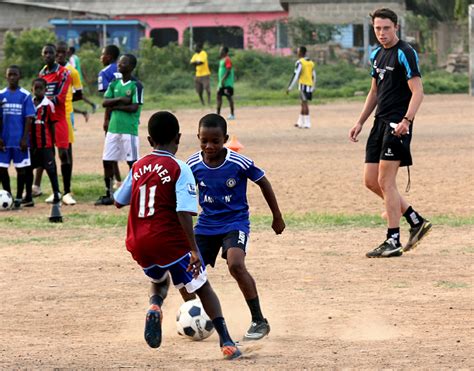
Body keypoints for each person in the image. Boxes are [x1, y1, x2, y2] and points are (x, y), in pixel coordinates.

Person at [113, 111, 242, 360]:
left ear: (150, 140)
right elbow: (184, 211)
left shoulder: (138, 165)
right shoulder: (179, 167)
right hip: (169, 240)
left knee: (160, 279)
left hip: (138, 241)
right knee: (203, 286)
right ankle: (226, 341)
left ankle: (154, 305)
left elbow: (120, 200)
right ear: (179, 138)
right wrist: (193, 250)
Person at [186, 113, 285, 340]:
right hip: (206, 225)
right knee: (187, 270)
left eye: (215, 141)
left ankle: (259, 320)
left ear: (225, 139)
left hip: (235, 222)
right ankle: (195, 316)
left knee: (236, 265)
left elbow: (263, 182)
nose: (209, 146)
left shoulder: (238, 162)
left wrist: (277, 216)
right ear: (198, 138)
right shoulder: (191, 164)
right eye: (204, 141)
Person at [348, 8, 432, 258]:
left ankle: (392, 240)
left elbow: (418, 91)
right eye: (377, 28)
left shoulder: (405, 53)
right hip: (378, 123)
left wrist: (407, 119)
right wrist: (360, 121)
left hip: (397, 125)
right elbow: (374, 92)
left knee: (386, 181)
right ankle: (415, 220)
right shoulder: (376, 55)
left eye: (386, 28)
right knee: (371, 181)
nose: (382, 33)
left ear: (396, 27)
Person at [96, 53, 143, 206]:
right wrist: (121, 101)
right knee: (107, 161)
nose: (119, 65)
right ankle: (109, 193)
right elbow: (105, 102)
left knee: (132, 163)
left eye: (123, 63)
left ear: (131, 67)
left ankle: (134, 194)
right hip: (113, 128)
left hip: (129, 129)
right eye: (119, 63)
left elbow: (134, 107)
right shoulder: (114, 83)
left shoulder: (136, 85)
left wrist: (114, 106)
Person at [38, 44, 73, 205]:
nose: (48, 55)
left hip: (59, 118)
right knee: (49, 155)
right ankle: (56, 191)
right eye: (45, 53)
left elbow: (60, 96)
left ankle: (67, 192)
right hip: (45, 120)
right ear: (42, 55)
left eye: (50, 53)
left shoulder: (64, 73)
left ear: (55, 55)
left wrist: (43, 100)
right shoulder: (42, 73)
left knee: (64, 154)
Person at [0, 65, 36, 209]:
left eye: (15, 74)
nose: (12, 77)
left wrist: (24, 139)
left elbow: (28, 118)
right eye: (10, 75)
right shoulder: (1, 95)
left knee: (21, 170)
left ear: (19, 76)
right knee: (1, 169)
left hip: (19, 140)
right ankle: (8, 195)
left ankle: (19, 198)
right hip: (4, 141)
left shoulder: (25, 95)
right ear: (6, 76)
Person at [24, 78, 61, 205]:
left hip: (45, 145)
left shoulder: (49, 105)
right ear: (32, 89)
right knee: (28, 170)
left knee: (51, 170)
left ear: (45, 90)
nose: (38, 91)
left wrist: (53, 144)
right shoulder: (28, 103)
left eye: (41, 89)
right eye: (36, 88)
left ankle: (56, 193)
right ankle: (28, 196)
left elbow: (52, 125)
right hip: (32, 145)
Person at [98, 44, 122, 190]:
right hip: (128, 116)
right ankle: (120, 180)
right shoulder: (123, 69)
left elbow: (108, 98)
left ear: (109, 57)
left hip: (113, 116)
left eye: (102, 55)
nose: (101, 58)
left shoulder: (105, 72)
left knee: (111, 150)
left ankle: (117, 181)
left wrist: (106, 119)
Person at [286, 46, 316, 129]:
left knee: (304, 104)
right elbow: (314, 75)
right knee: (303, 104)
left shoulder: (300, 62)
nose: (297, 53)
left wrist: (290, 87)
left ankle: (307, 123)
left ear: (302, 52)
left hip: (303, 86)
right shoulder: (310, 62)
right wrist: (314, 86)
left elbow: (296, 75)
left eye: (298, 51)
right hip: (309, 86)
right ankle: (300, 122)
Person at [67, 46, 97, 114]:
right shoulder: (76, 57)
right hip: (78, 77)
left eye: (68, 51)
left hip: (74, 79)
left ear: (71, 51)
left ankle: (91, 105)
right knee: (77, 95)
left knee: (74, 95)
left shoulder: (72, 58)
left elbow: (73, 68)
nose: (67, 52)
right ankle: (91, 106)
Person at [216, 47, 235, 120]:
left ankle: (232, 114)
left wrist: (223, 79)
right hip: (221, 83)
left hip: (227, 84)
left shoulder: (227, 59)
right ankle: (218, 115)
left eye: (221, 50)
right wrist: (220, 82)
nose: (219, 51)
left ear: (225, 52)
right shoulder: (221, 60)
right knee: (218, 97)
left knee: (229, 98)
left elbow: (228, 70)